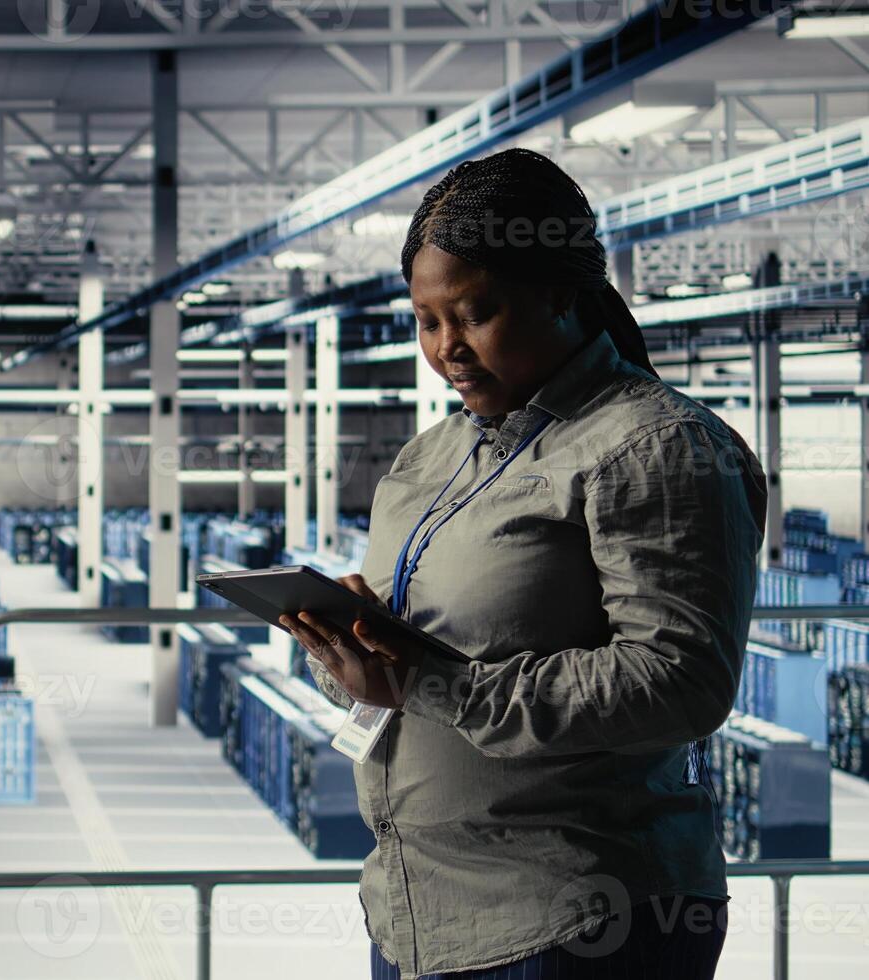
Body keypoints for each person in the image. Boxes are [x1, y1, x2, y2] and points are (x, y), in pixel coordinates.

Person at [279, 148, 766, 980]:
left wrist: (435, 684)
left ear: (560, 293)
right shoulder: (429, 461)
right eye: (427, 322)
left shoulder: (653, 447)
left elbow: (682, 680)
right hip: (417, 916)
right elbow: (407, 667)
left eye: (475, 314)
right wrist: (347, 653)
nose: (447, 350)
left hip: (573, 926)